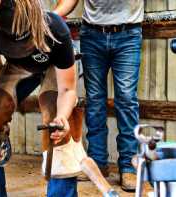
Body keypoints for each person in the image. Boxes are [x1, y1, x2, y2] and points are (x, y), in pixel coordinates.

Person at [0, 0, 80, 196]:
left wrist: (63, 117)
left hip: (54, 67)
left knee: (55, 124)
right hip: (19, 67)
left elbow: (68, 90)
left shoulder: (56, 30)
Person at [53, 0, 144, 191]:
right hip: (92, 34)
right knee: (94, 101)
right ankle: (98, 164)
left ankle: (129, 167)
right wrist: (49, 19)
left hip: (128, 33)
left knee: (127, 99)